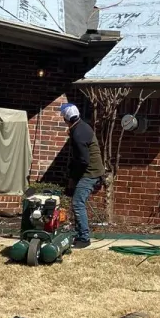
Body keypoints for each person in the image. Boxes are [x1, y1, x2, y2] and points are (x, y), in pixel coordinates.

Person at [61, 102, 104, 248]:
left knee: (78, 203)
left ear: (66, 119)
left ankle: (84, 238)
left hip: (90, 172)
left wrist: (73, 178)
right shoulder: (80, 127)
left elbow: (83, 160)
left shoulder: (79, 133)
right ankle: (79, 234)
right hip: (90, 171)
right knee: (77, 202)